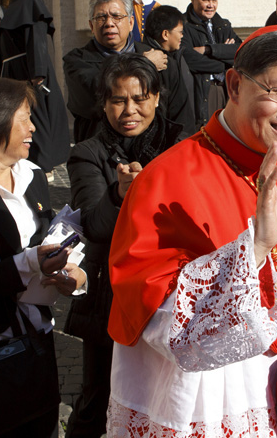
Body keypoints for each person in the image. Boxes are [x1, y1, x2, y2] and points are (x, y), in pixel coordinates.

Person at [105, 26, 277, 436]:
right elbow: (158, 321)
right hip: (202, 399)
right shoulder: (165, 179)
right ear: (234, 84)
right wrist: (255, 249)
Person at [0, 77, 86, 437]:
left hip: (38, 345)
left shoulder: (33, 176)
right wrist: (26, 264)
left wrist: (72, 277)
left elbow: (47, 244)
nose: (33, 128)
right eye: (25, 117)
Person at [63, 54, 184, 437]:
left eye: (140, 98)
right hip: (110, 295)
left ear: (157, 97)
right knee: (99, 398)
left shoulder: (183, 144)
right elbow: (95, 226)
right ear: (103, 104)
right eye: (118, 100)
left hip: (170, 291)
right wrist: (121, 194)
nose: (129, 110)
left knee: (167, 398)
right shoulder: (88, 153)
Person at [64, 0, 190, 143]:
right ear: (91, 25)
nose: (109, 23)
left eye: (116, 16)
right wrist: (144, 64)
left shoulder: (162, 61)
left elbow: (181, 119)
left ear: (131, 23)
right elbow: (95, 95)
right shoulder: (76, 62)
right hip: (103, 156)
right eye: (101, 17)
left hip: (154, 155)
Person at [0, 0, 70, 174]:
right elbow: (19, 36)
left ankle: (43, 165)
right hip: (22, 69)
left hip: (30, 71)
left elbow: (36, 39)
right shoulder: (22, 0)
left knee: (35, 115)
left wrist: (37, 74)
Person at [181, 0, 241, 127]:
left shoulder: (223, 25)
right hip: (201, 91)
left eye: (214, 0)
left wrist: (208, 50)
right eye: (205, 0)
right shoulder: (183, 25)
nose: (211, 5)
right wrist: (224, 61)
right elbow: (189, 59)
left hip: (226, 90)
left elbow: (241, 53)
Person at [144, 4, 196, 133]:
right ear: (166, 34)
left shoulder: (174, 57)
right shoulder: (162, 63)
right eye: (180, 32)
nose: (182, 36)